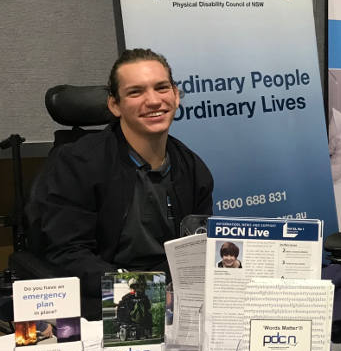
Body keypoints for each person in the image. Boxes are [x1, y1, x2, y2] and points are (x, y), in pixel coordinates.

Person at [28, 48, 214, 321]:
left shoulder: (193, 169)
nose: (153, 101)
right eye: (136, 92)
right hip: (99, 300)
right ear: (115, 105)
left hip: (173, 301)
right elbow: (68, 253)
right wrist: (139, 291)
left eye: (161, 88)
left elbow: (195, 249)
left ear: (175, 95)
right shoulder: (77, 163)